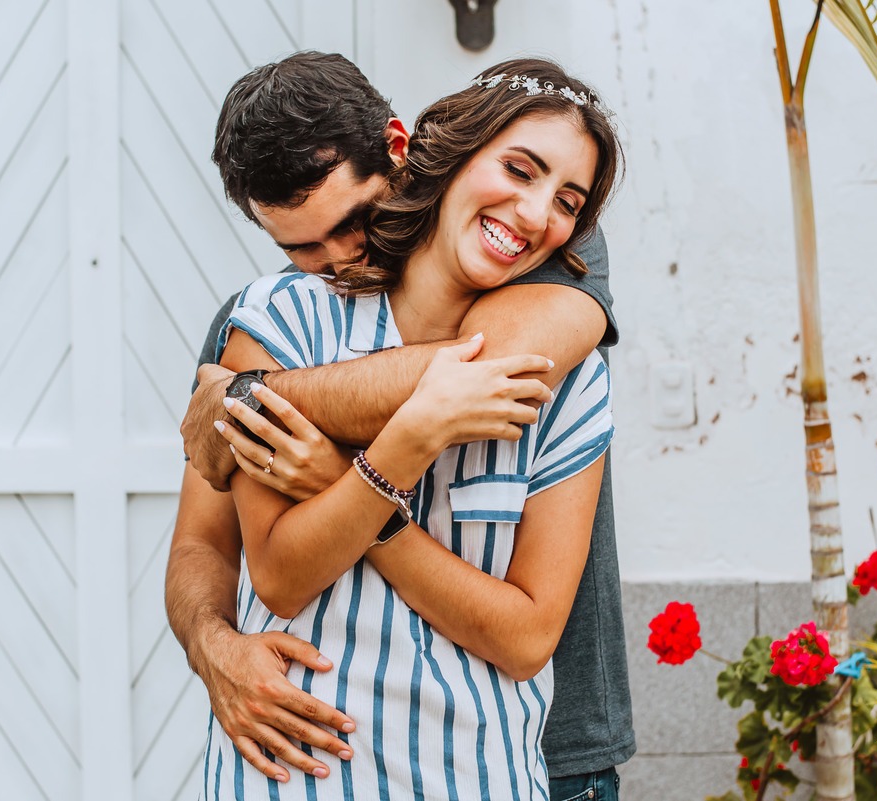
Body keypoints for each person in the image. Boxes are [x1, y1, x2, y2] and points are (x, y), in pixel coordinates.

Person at [166, 53, 634, 800]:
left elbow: (480, 368)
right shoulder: (273, 316)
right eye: (300, 247)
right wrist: (213, 642)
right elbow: (207, 544)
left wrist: (260, 403)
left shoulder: (550, 239)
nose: (340, 258)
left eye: (353, 222)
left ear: (401, 147)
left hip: (533, 754)